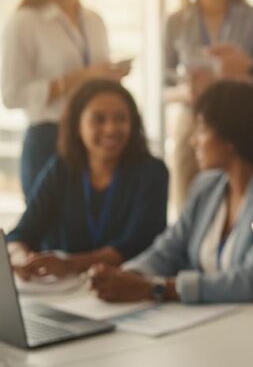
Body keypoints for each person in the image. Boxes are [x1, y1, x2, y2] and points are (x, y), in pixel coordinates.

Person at [87, 81, 253, 317]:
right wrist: (128, 275)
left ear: (232, 138)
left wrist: (155, 288)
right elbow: (169, 249)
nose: (193, 140)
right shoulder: (207, 186)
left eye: (201, 129)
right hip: (214, 323)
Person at [2, 0, 130, 198]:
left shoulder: (94, 20)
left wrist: (107, 77)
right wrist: (80, 77)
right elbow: (12, 95)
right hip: (49, 139)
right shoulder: (25, 22)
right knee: (46, 236)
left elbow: (95, 77)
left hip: (93, 143)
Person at [6, 79, 167, 280]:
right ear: (77, 126)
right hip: (63, 292)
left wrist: (70, 265)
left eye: (121, 119)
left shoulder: (152, 172)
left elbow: (137, 245)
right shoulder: (62, 168)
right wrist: (19, 257)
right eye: (98, 120)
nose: (110, 129)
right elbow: (21, 234)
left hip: (125, 288)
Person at [165, 0, 253, 212]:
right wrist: (185, 91)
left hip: (241, 125)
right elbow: (161, 84)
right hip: (192, 124)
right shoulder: (176, 22)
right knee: (188, 206)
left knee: (241, 204)